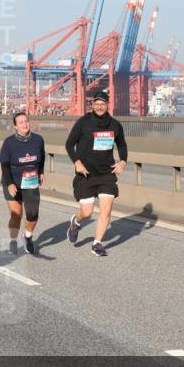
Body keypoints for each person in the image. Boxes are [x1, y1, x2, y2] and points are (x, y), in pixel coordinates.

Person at [64, 92, 128, 257]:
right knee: (87, 212)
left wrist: (123, 161)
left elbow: (122, 144)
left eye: (103, 104)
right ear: (92, 105)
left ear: (107, 105)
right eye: (96, 103)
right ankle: (76, 222)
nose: (99, 107)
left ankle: (97, 243)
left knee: (106, 209)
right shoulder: (83, 122)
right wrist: (77, 162)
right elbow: (69, 144)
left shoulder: (115, 125)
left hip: (106, 174)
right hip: (86, 175)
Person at [0, 112, 46, 255]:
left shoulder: (38, 140)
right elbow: (4, 164)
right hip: (12, 181)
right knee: (16, 214)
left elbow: (42, 156)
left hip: (31, 181)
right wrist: (10, 184)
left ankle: (28, 237)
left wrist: (41, 172)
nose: (25, 124)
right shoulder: (9, 142)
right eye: (21, 122)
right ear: (15, 126)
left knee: (33, 213)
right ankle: (13, 240)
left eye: (26, 121)